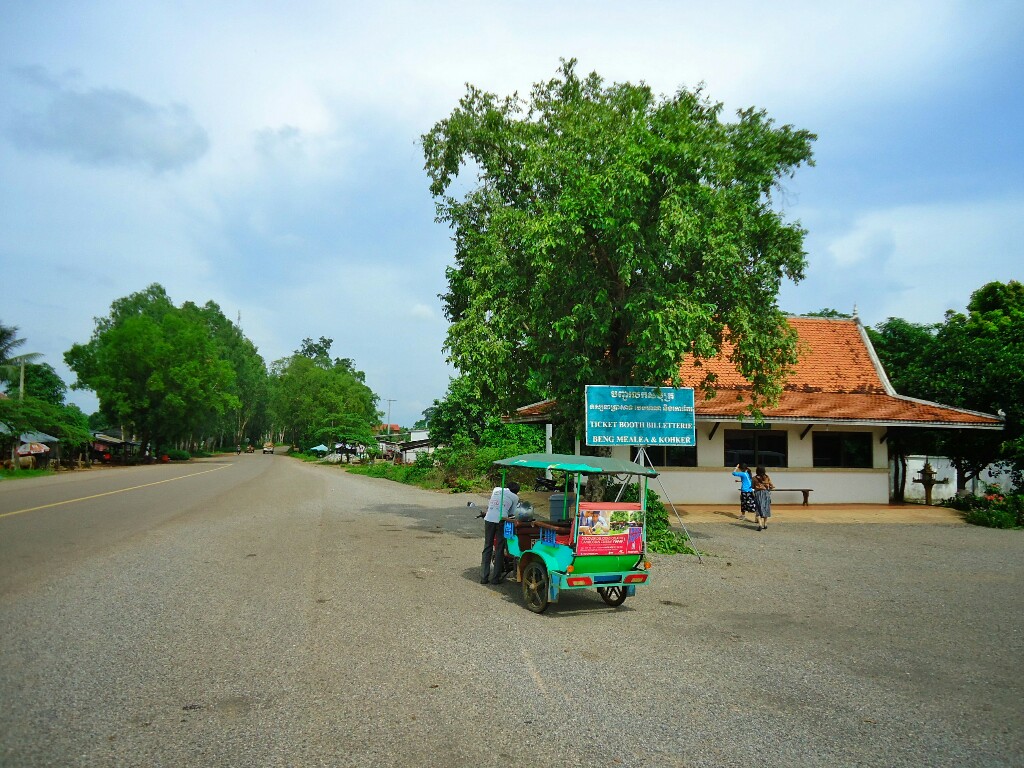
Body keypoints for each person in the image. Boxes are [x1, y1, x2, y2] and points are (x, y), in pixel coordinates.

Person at [481, 481, 520, 584]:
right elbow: (511, 513)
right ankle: (495, 579)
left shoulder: (496, 489)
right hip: (501, 521)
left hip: (489, 518)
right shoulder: (515, 497)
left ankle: (483, 577)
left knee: (487, 547)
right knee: (499, 548)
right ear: (516, 492)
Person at [752, 465, 775, 531]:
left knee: (758, 508)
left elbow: (752, 486)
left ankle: (760, 524)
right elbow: (771, 486)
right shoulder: (767, 477)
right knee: (766, 508)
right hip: (766, 494)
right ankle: (765, 524)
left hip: (758, 494)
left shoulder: (754, 478)